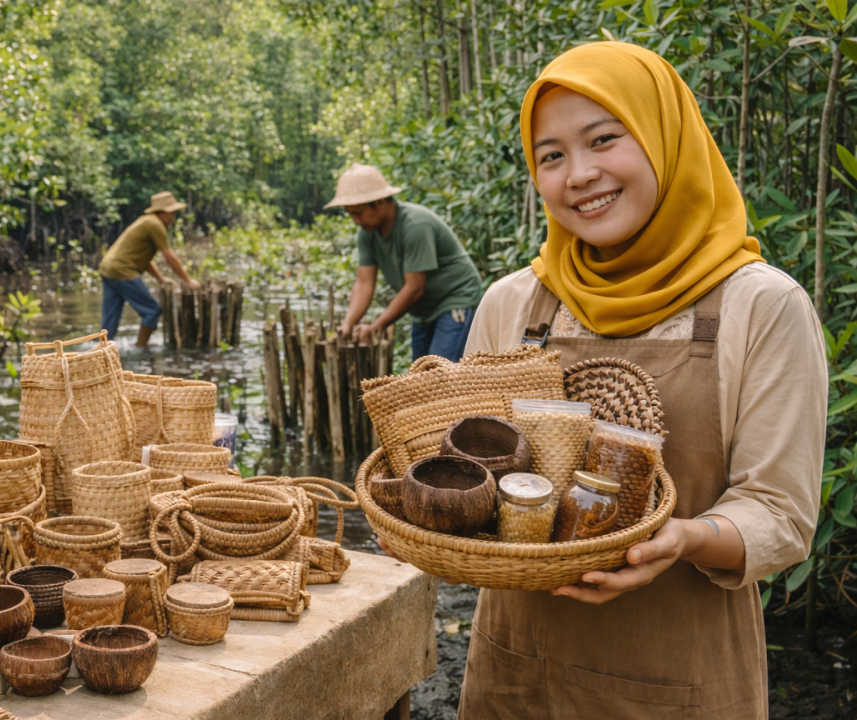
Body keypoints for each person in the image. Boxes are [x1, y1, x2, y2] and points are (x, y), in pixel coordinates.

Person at [456, 42, 824, 718]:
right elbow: (468, 464)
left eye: (603, 139)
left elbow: (781, 514)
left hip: (677, 681)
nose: (580, 175)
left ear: (664, 137)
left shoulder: (761, 306)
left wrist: (682, 538)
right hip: (514, 674)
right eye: (552, 155)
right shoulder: (515, 302)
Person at [328, 164, 483, 361]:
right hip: (423, 311)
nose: (356, 220)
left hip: (456, 300)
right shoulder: (367, 232)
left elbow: (414, 287)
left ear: (380, 202)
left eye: (358, 213)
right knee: (418, 378)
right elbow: (364, 282)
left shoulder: (415, 225)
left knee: (440, 377)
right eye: (351, 214)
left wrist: (376, 327)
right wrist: (348, 324)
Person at [98, 191, 201, 346]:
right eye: (172, 212)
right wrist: (188, 281)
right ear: (164, 212)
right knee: (152, 311)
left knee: (109, 320)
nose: (174, 217)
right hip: (123, 270)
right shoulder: (156, 225)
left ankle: (98, 353)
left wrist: (160, 278)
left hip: (108, 268)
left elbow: (142, 259)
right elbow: (170, 257)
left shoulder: (146, 221)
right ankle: (140, 348)